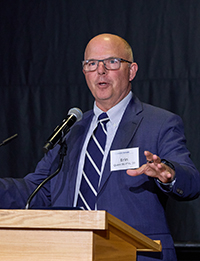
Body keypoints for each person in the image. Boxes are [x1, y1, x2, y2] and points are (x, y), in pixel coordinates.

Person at [0, 33, 200, 260]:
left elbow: (191, 181)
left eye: (112, 62)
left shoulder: (159, 123)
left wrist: (169, 174)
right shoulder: (72, 129)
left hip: (135, 254)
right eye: (92, 64)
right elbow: (36, 190)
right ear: (84, 71)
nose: (100, 71)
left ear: (131, 70)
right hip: (68, 251)